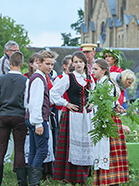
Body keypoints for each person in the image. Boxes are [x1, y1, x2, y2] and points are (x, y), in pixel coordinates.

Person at [50, 51, 95, 185]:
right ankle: (70, 177)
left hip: (87, 117)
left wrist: (93, 102)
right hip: (73, 117)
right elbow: (53, 93)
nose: (78, 64)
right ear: (72, 64)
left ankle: (83, 177)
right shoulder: (68, 78)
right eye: (75, 62)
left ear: (85, 63)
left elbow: (96, 95)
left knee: (85, 144)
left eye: (80, 62)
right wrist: (66, 103)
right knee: (72, 147)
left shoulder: (90, 78)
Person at [0, 51, 29, 186]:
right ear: (22, 64)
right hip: (19, 117)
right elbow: (27, 104)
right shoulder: (26, 81)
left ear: (9, 63)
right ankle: (22, 182)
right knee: (19, 150)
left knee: (1, 149)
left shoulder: (0, 80)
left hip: (4, 116)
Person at [92, 59, 130, 186]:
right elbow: (111, 100)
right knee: (105, 150)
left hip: (108, 119)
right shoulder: (100, 83)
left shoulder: (107, 84)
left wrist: (113, 107)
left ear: (103, 70)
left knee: (110, 151)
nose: (93, 71)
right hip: (104, 118)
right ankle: (106, 180)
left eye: (95, 69)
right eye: (93, 69)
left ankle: (112, 181)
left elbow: (107, 104)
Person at [25, 50, 58, 186]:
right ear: (39, 63)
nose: (50, 67)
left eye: (52, 64)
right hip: (37, 119)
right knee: (42, 150)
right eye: (47, 64)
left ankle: (32, 181)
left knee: (33, 150)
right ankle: (34, 182)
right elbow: (35, 103)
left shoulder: (39, 77)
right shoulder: (38, 79)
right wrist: (38, 123)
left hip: (32, 118)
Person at [0, 41, 19, 165]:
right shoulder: (4, 63)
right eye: (13, 50)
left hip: (7, 102)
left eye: (17, 50)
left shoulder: (9, 62)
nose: (16, 52)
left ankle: (5, 157)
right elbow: (6, 83)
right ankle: (5, 158)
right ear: (7, 51)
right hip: (6, 102)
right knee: (6, 135)